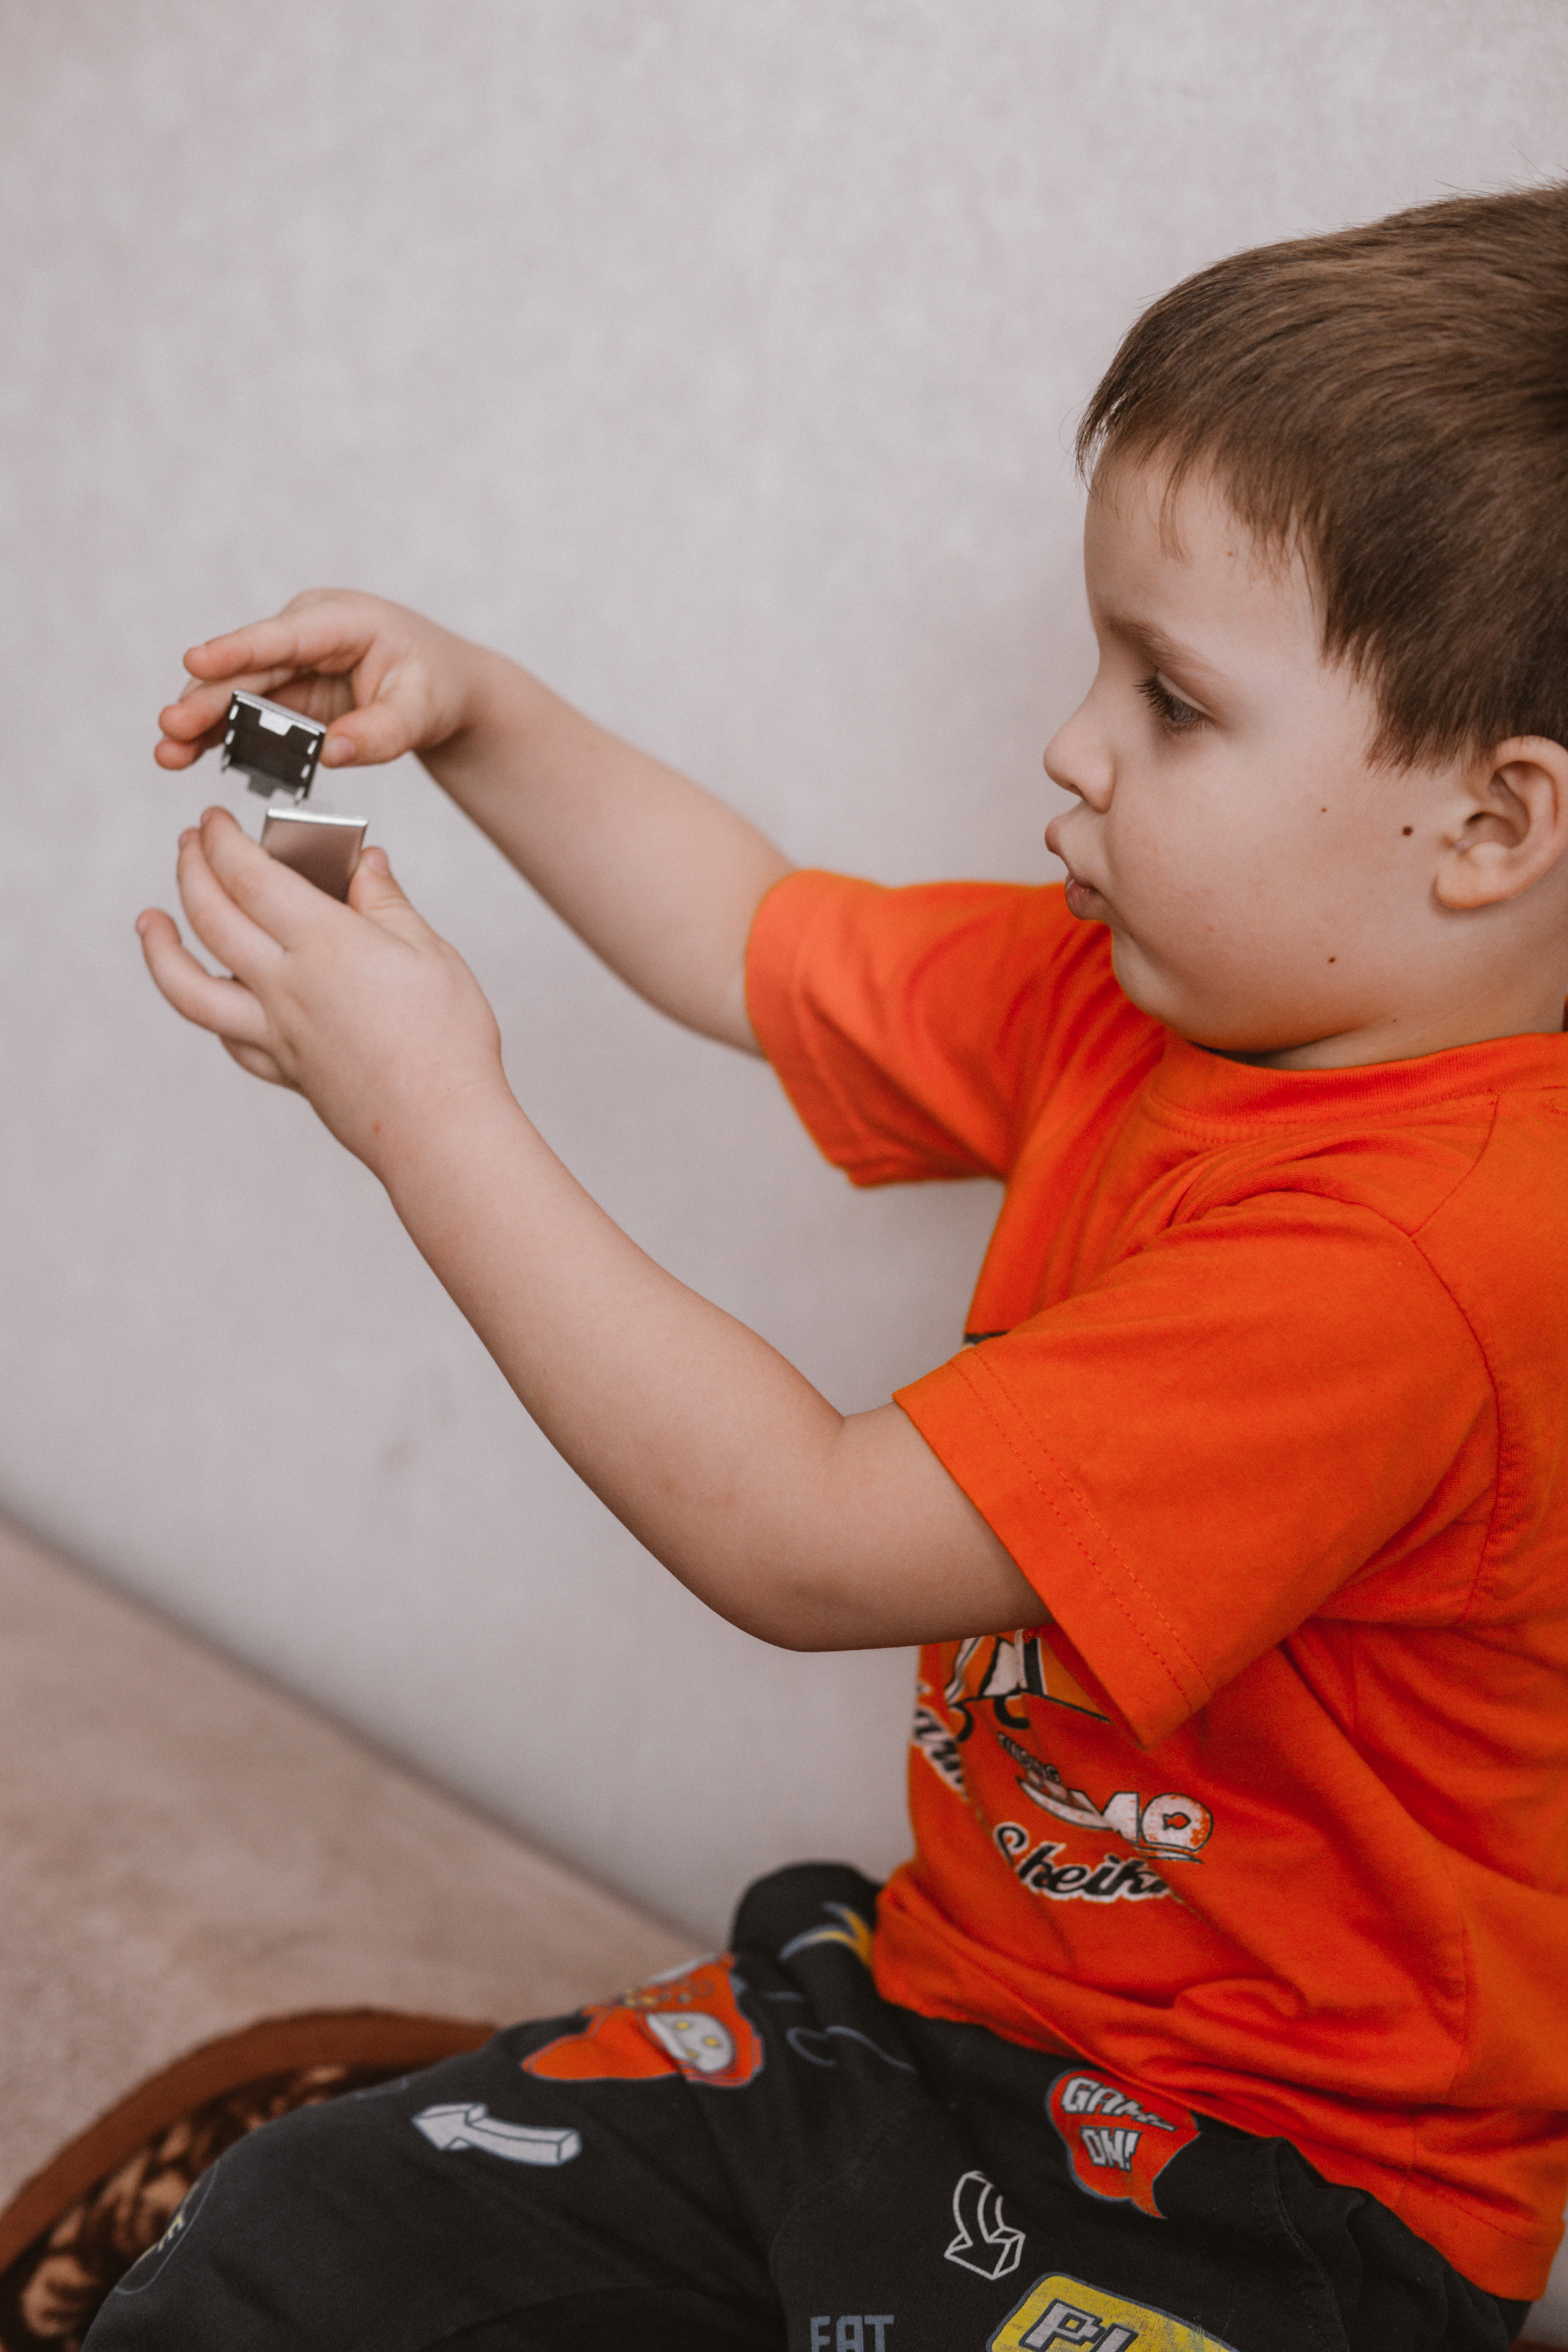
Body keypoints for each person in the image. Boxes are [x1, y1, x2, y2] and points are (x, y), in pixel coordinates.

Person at [90, 180, 1568, 2352]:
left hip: (1277, 2199)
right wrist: (480, 708)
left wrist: (426, 1110)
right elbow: (751, 935)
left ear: (1493, 829)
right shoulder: (1137, 998)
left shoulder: (1426, 1261)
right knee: (299, 2233)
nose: (1070, 744)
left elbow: (802, 1534)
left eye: (1168, 699)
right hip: (926, 2019)